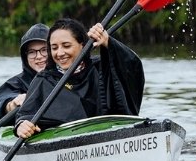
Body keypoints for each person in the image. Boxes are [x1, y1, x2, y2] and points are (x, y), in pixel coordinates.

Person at [14, 18, 145, 139]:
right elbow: (25, 114)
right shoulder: (43, 79)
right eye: (54, 48)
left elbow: (132, 69)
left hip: (106, 134)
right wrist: (21, 125)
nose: (59, 53)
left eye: (66, 46)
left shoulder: (101, 68)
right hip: (63, 139)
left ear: (82, 45)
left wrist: (108, 42)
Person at [0, 23, 50, 122]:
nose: (39, 56)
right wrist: (12, 104)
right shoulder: (16, 83)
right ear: (25, 56)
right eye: (32, 52)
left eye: (44, 50)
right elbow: (3, 99)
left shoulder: (68, 75)